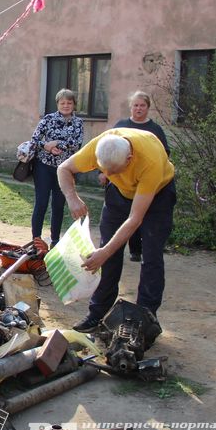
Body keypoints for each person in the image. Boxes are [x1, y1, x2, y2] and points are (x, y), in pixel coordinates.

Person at [57, 128, 176, 332]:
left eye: (114, 170)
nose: (109, 174)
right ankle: (97, 314)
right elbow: (63, 169)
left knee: (151, 256)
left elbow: (134, 219)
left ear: (129, 159)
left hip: (158, 195)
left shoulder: (150, 160)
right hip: (120, 193)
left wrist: (104, 253)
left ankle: (144, 319)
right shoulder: (101, 145)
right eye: (105, 170)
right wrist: (72, 197)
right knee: (107, 252)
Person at [106, 91, 170, 263]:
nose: (138, 108)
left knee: (141, 215)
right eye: (135, 105)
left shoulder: (155, 130)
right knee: (125, 216)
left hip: (147, 181)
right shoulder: (121, 126)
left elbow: (165, 155)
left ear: (148, 108)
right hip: (123, 183)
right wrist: (103, 173)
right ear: (130, 107)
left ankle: (142, 250)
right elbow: (108, 150)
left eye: (142, 105)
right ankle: (124, 250)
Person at [30, 89, 84, 247]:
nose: (66, 105)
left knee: (58, 204)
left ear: (74, 105)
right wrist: (46, 146)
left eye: (69, 103)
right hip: (44, 167)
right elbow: (34, 140)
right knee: (41, 202)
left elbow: (77, 144)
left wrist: (56, 144)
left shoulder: (78, 123)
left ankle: (54, 240)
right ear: (57, 104)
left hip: (65, 170)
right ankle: (36, 240)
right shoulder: (47, 119)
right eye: (62, 103)